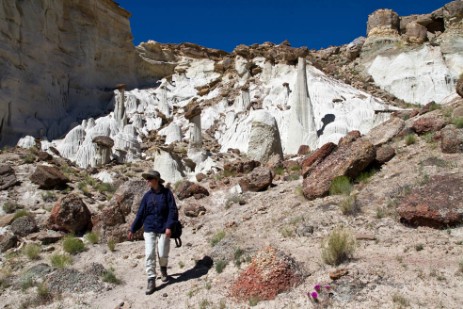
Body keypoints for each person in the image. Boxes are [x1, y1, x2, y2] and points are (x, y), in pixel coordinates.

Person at [128, 170, 179, 295]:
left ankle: (163, 269)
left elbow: (173, 211)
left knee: (162, 253)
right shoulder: (147, 196)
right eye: (147, 179)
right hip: (149, 228)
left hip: (163, 228)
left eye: (149, 178)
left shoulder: (167, 194)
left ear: (156, 179)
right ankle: (151, 279)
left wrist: (169, 227)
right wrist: (133, 229)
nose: (147, 181)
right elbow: (140, 214)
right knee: (149, 253)